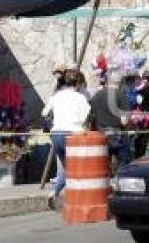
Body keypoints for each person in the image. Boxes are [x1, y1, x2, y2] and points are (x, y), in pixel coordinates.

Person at [42, 69, 91, 209]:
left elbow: (44, 113)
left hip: (56, 134)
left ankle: (54, 192)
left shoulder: (57, 96)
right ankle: (80, 198)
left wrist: (54, 123)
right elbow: (87, 116)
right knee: (80, 167)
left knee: (65, 167)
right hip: (74, 134)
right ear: (79, 83)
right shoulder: (80, 98)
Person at [89, 71, 131, 169]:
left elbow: (91, 118)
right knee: (124, 166)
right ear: (119, 82)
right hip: (118, 136)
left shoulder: (96, 96)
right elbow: (124, 121)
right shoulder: (121, 96)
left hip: (100, 136)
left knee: (103, 167)